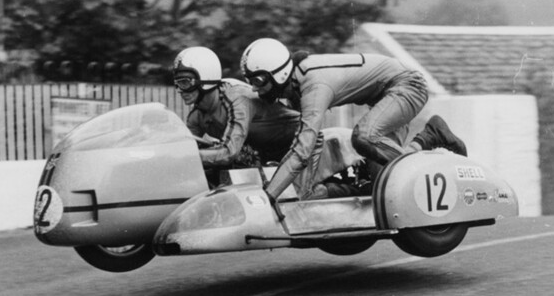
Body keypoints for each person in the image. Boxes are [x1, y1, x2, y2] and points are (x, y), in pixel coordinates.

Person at [239, 38, 468, 202]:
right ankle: (429, 136)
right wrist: (304, 190)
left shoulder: (314, 87)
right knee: (384, 184)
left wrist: (269, 194)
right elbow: (314, 140)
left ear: (278, 74)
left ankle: (428, 153)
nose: (254, 89)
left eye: (258, 81)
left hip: (407, 85)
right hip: (385, 95)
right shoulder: (296, 86)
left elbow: (302, 149)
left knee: (364, 137)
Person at [172, 46, 301, 184]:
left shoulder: (237, 98)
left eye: (184, 82)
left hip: (296, 146)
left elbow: (229, 152)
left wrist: (184, 157)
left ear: (204, 79)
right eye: (177, 84)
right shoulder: (196, 116)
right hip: (263, 156)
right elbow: (185, 148)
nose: (180, 90)